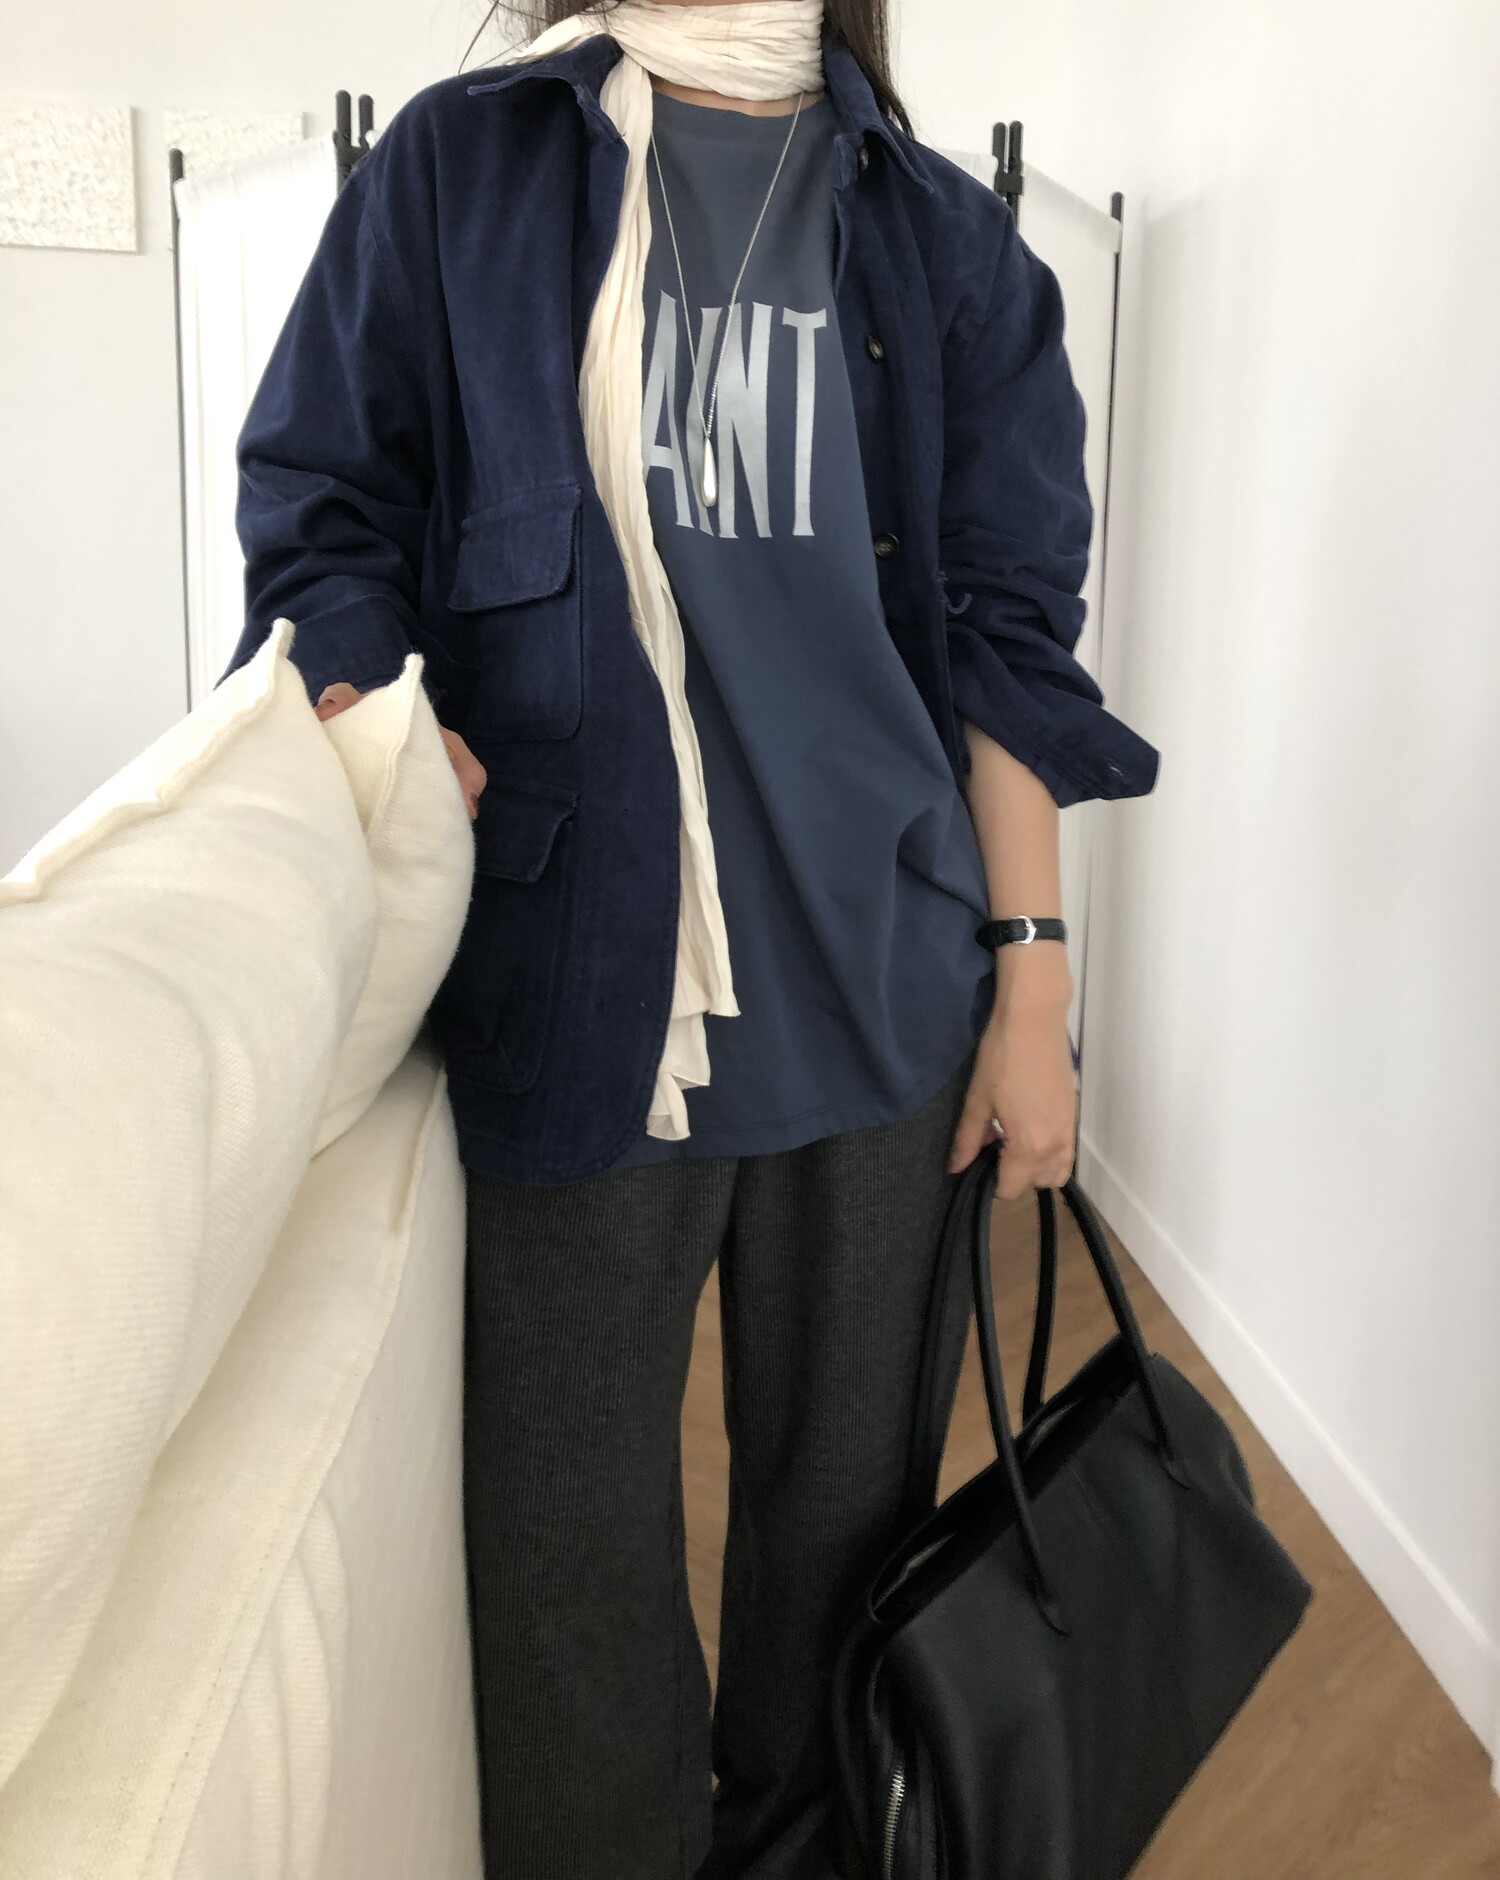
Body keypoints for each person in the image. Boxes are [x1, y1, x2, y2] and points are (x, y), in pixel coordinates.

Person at [222, 2, 1160, 1874]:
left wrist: (1034, 980)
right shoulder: (462, 175)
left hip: (887, 997)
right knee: (563, 1573)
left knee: (848, 1539)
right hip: (580, 991)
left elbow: (1006, 638)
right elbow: (325, 507)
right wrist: (366, 703)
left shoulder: (948, 243)